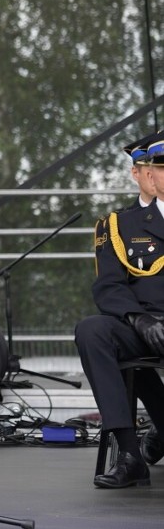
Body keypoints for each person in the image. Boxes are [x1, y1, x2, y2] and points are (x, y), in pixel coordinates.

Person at [75, 131, 164, 489]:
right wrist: (138, 319)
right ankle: (130, 454)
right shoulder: (118, 226)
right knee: (92, 331)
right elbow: (109, 285)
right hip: (144, 327)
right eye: (157, 169)